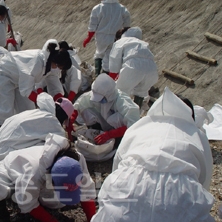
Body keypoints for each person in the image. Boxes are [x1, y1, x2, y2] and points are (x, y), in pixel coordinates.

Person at [91, 87, 214, 222]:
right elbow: (204, 177)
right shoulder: (196, 134)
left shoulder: (140, 126)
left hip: (129, 184)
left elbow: (119, 162)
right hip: (179, 194)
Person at [0, 134, 97, 222]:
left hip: (42, 178)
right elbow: (29, 204)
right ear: (52, 182)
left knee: (54, 203)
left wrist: (92, 219)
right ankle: (2, 216)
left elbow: (87, 191)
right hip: (12, 173)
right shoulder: (32, 173)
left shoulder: (77, 159)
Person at [0, 39, 72, 152]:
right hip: (3, 75)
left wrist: (62, 103)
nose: (59, 69)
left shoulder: (51, 65)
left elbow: (54, 84)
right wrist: (42, 101)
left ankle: (20, 140)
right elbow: (27, 90)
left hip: (18, 80)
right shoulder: (35, 62)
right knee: (5, 113)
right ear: (53, 60)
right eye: (59, 66)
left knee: (28, 112)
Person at [0, 93, 75, 164]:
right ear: (64, 118)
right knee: (49, 150)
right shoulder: (53, 123)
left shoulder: (37, 112)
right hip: (4, 157)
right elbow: (62, 144)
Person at [68, 73, 140, 147]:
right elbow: (80, 103)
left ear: (109, 95)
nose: (99, 100)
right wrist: (71, 119)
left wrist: (111, 134)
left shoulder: (122, 101)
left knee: (120, 117)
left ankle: (119, 139)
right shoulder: (98, 93)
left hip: (119, 129)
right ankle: (96, 130)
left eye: (101, 98)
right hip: (105, 122)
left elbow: (134, 124)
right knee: (86, 109)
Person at [83, 0, 131, 76]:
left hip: (102, 36)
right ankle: (109, 76)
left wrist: (88, 38)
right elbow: (127, 25)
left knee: (99, 54)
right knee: (111, 56)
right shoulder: (122, 8)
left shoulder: (98, 8)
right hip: (116, 37)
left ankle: (98, 75)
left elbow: (93, 26)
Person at [108, 26, 158, 108]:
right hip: (152, 71)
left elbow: (114, 61)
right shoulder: (143, 43)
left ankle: (119, 113)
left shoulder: (120, 42)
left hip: (133, 68)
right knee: (141, 93)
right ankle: (136, 115)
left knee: (120, 91)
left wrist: (111, 81)